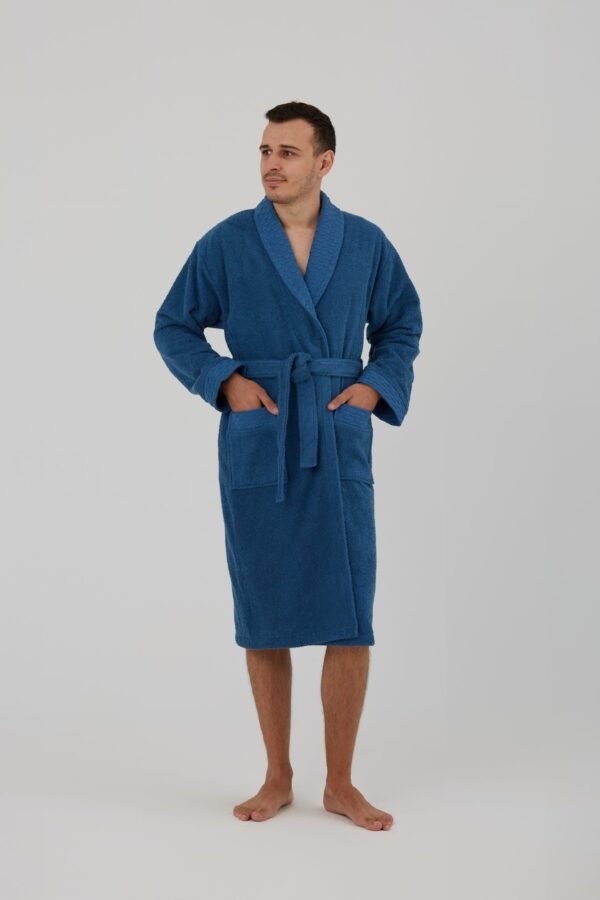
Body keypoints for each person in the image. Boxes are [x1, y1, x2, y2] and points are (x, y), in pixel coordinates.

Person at [153, 101, 423, 831]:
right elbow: (173, 324)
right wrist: (224, 382)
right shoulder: (227, 242)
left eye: (289, 153)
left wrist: (374, 387)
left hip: (335, 433)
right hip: (262, 434)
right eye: (265, 151)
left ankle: (341, 783)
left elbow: (401, 324)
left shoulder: (364, 243)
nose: (272, 164)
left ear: (324, 162)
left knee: (351, 614)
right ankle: (277, 775)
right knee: (264, 613)